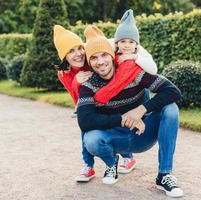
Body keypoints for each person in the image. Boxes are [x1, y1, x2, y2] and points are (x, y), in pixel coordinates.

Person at [77, 24, 184, 198]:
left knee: (170, 109)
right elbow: (85, 121)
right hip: (115, 138)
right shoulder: (89, 85)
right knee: (91, 139)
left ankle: (164, 174)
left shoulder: (133, 72)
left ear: (112, 56)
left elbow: (173, 91)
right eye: (94, 58)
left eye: (104, 54)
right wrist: (124, 118)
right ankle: (112, 163)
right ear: (90, 62)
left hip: (143, 134)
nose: (101, 61)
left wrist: (141, 110)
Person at [53, 25, 157, 181]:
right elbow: (76, 99)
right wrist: (76, 83)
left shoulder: (93, 55)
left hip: (118, 97)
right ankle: (89, 165)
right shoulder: (63, 73)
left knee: (115, 118)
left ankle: (128, 157)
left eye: (79, 48)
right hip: (92, 101)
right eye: (71, 51)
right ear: (64, 57)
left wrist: (134, 56)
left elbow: (124, 46)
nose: (78, 54)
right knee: (86, 123)